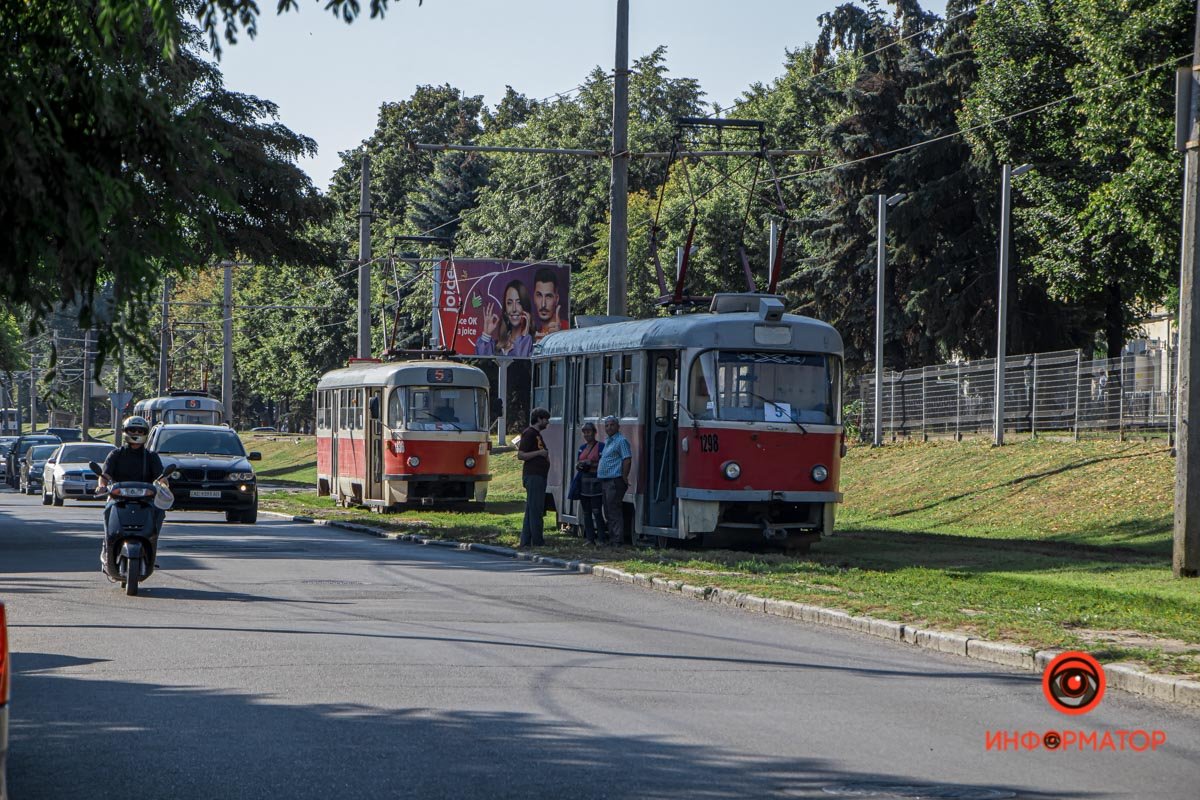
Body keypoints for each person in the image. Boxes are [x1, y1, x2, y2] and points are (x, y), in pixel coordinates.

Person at [97, 416, 166, 559]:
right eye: (132, 430)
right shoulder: (116, 454)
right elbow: (105, 475)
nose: (136, 433)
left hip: (145, 499)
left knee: (159, 510)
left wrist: (164, 487)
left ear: (145, 433)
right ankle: (107, 544)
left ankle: (151, 543)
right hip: (118, 498)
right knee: (108, 509)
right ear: (125, 431)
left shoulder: (151, 456)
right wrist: (102, 486)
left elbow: (161, 477)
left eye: (140, 431)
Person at [516, 407, 551, 547]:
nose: (547, 422)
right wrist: (539, 454)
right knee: (536, 510)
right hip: (533, 475)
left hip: (539, 475)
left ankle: (525, 541)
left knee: (531, 509)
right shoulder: (529, 433)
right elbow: (521, 454)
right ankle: (538, 541)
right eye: (545, 419)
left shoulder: (538, 434)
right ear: (539, 419)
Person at [596, 415, 632, 546]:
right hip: (605, 481)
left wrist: (624, 476)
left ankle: (617, 540)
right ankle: (612, 538)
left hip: (614, 480)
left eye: (612, 425)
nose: (609, 427)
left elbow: (627, 459)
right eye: (606, 425)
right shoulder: (608, 441)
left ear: (618, 426)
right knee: (608, 510)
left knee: (614, 510)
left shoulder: (621, 441)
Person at [570, 422, 607, 546]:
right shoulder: (582, 448)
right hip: (584, 483)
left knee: (597, 511)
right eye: (584, 432)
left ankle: (601, 538)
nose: (587, 435)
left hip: (596, 483)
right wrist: (579, 465)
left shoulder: (601, 447)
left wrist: (590, 464)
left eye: (589, 432)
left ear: (594, 432)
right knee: (586, 512)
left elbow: (603, 463)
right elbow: (578, 462)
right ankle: (590, 539)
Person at [477, 280, 533, 357]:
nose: (514, 309)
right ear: (505, 310)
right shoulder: (498, 345)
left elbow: (521, 364)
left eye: (519, 302)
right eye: (509, 303)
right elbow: (482, 365)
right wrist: (486, 334)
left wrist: (524, 337)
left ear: (525, 306)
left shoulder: (535, 345)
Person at [532, 268, 569, 342]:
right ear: (534, 297)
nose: (543, 304)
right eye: (539, 295)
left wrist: (560, 336)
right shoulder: (536, 333)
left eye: (548, 296)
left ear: (557, 299)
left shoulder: (567, 328)